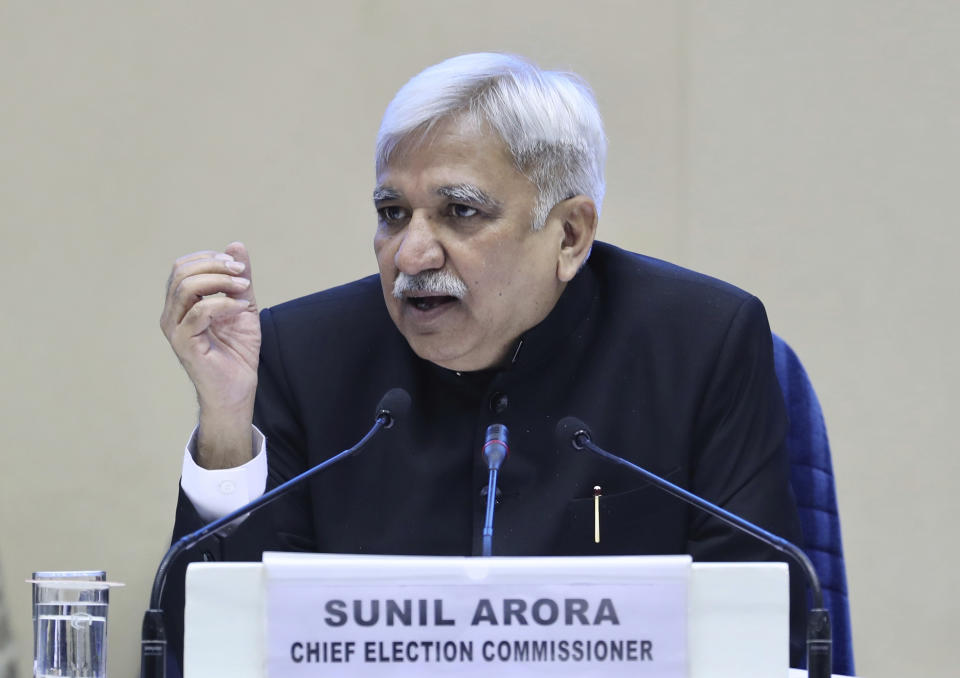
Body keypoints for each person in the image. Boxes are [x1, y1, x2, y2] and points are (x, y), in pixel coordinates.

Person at [160, 53, 805, 669]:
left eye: (459, 212)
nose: (411, 255)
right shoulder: (301, 353)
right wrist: (225, 426)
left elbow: (760, 636)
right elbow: (210, 652)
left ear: (570, 235)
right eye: (392, 214)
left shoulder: (699, 345)